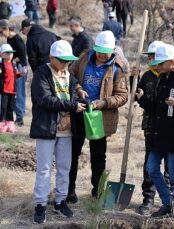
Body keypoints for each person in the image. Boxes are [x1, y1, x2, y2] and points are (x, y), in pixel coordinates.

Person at [66, 30, 128, 202]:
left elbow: (123, 96)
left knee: (98, 156)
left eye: (105, 51)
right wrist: (78, 89)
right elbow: (70, 76)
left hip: (100, 117)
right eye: (99, 50)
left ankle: (98, 191)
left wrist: (103, 103)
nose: (101, 54)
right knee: (73, 153)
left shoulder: (117, 68)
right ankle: (69, 190)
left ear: (112, 50)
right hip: (79, 111)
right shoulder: (83, 58)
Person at [30, 40, 85, 224]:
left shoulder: (68, 74)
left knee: (64, 168)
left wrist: (80, 91)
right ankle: (40, 205)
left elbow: (74, 87)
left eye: (68, 61)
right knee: (44, 169)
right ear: (51, 58)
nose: (65, 64)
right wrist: (72, 105)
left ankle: (60, 201)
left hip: (66, 129)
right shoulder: (42, 74)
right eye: (61, 60)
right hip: (47, 128)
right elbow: (45, 99)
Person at [136, 43, 174, 219]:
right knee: (152, 168)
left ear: (171, 61)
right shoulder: (162, 79)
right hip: (158, 133)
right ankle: (168, 203)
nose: (157, 66)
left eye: (161, 63)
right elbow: (156, 107)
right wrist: (142, 99)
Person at [131, 40, 172, 215]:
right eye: (149, 56)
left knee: (170, 166)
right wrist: (133, 78)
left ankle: (170, 200)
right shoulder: (146, 76)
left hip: (170, 128)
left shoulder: (171, 76)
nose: (152, 59)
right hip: (150, 126)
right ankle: (148, 197)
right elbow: (135, 96)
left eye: (155, 56)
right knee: (150, 164)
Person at [0, 20, 28, 127]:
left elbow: (21, 56)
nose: (1, 34)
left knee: (18, 93)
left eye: (1, 31)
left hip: (18, 68)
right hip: (10, 67)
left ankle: (20, 118)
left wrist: (10, 62)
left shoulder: (17, 39)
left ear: (6, 29)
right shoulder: (9, 38)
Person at [0, 44, 22, 133]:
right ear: (2, 54)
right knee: (3, 107)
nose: (10, 55)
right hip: (4, 90)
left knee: (11, 108)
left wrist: (22, 74)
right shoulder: (1, 65)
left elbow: (16, 75)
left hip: (12, 91)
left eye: (11, 53)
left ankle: (10, 124)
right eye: (8, 53)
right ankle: (2, 124)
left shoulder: (13, 64)